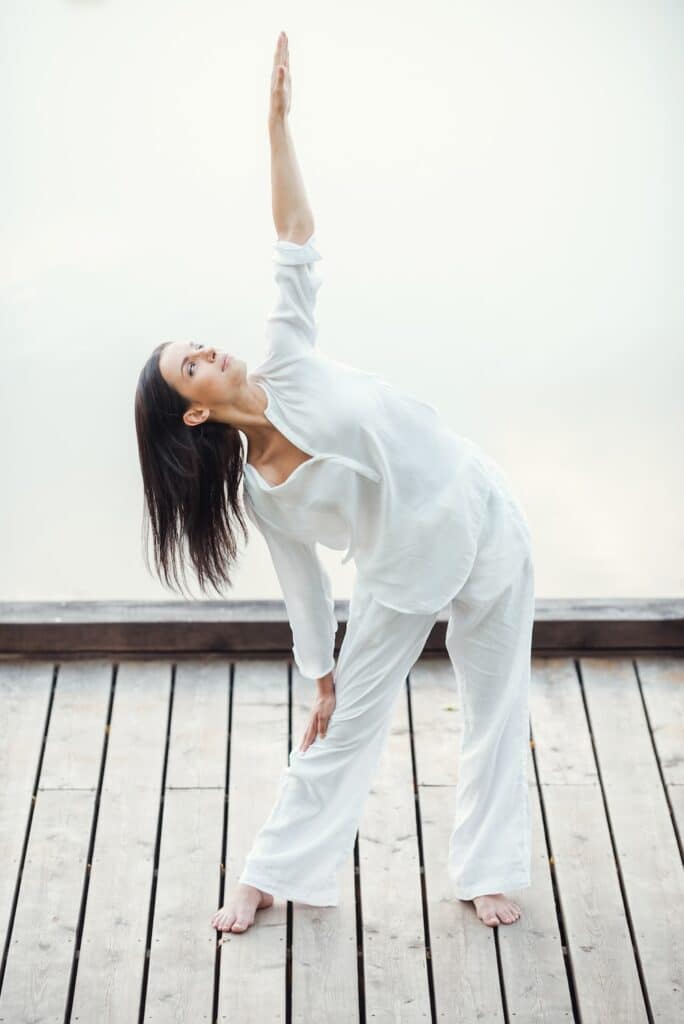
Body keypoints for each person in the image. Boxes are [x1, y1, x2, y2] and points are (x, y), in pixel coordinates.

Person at [134, 31, 535, 933]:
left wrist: (276, 126)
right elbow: (306, 586)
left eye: (199, 342)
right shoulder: (261, 492)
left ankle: (488, 866)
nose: (208, 350)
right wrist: (320, 673)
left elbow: (295, 240)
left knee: (495, 702)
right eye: (190, 366)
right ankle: (268, 873)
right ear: (194, 411)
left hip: (483, 511)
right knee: (340, 727)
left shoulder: (289, 358)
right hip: (402, 571)